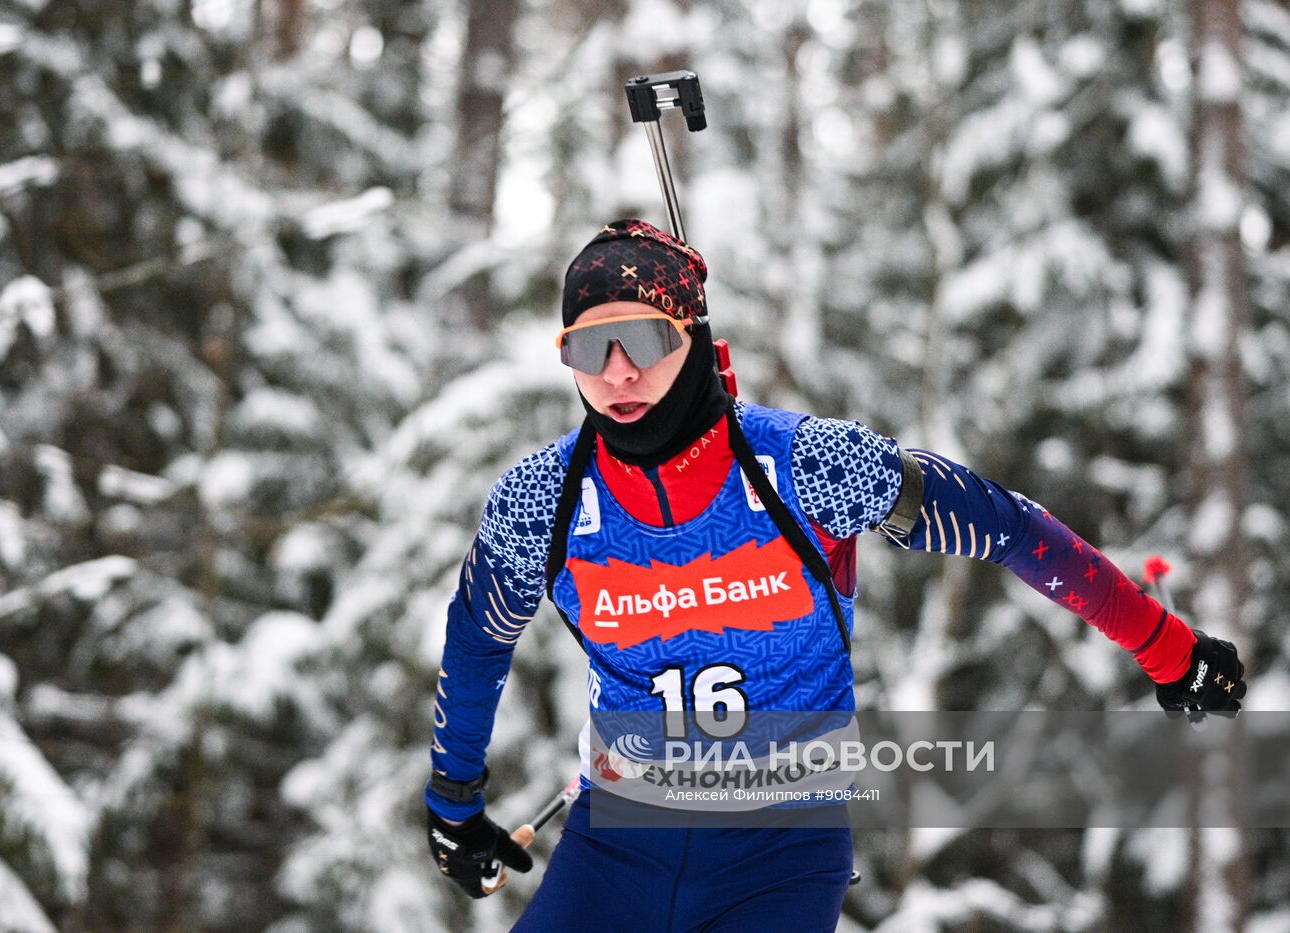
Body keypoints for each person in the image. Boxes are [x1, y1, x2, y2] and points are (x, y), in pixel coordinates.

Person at [423, 219, 1248, 931]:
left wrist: (1166, 645)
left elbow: (1006, 525)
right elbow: (476, 644)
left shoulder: (805, 466)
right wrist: (454, 802)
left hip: (780, 845)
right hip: (620, 841)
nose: (617, 372)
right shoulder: (544, 499)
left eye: (641, 339)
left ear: (693, 336)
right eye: (585, 348)